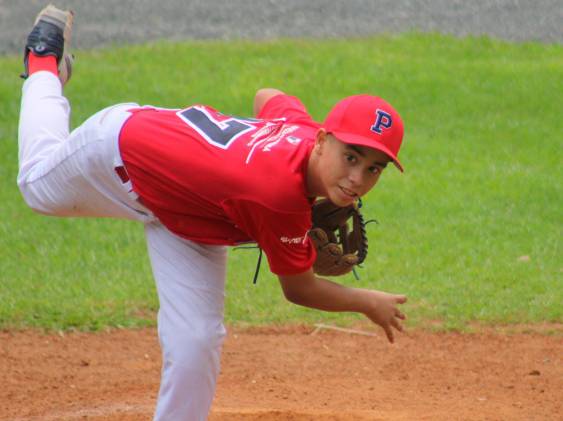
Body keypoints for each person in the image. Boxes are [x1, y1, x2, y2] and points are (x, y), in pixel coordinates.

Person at [18, 5, 408, 420]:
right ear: (324, 140)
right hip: (120, 150)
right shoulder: (275, 195)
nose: (357, 178)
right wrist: (367, 301)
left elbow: (268, 96)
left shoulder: (305, 131)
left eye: (373, 169)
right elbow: (299, 289)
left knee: (196, 341)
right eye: (350, 157)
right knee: (36, 186)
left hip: (193, 215)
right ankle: (44, 62)